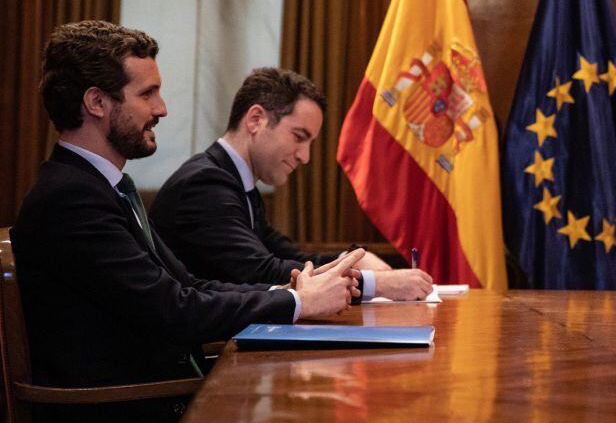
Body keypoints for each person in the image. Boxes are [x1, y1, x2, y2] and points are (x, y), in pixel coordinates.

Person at [12, 21, 363, 421]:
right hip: (127, 407)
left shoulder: (106, 187)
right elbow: (176, 310)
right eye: (148, 94)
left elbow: (189, 286)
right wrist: (298, 302)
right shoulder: (71, 196)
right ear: (96, 102)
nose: (162, 109)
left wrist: (289, 289)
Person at [151, 68, 433, 300]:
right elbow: (259, 271)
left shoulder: (237, 181)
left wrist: (354, 259)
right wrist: (371, 283)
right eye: (299, 137)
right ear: (256, 120)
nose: (305, 157)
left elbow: (288, 255)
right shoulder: (205, 184)